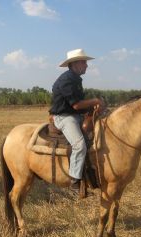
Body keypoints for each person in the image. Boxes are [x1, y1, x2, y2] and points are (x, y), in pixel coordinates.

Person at [49, 48, 104, 195]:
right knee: (79, 145)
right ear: (75, 64)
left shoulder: (76, 79)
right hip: (64, 117)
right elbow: (76, 105)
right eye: (84, 62)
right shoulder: (66, 80)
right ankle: (74, 183)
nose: (87, 65)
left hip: (74, 115)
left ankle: (90, 175)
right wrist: (95, 101)